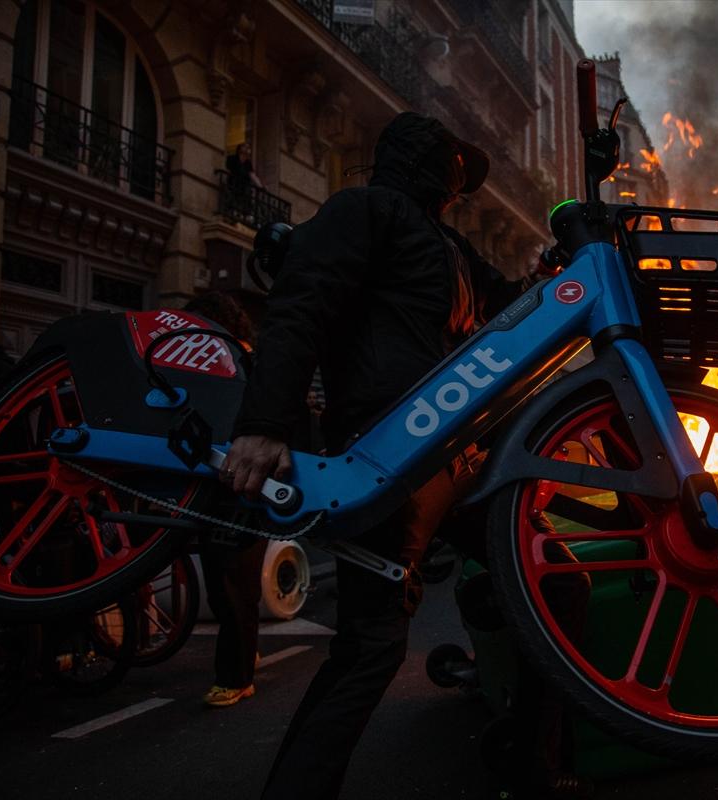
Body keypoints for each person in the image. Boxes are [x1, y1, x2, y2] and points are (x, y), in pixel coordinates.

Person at [220, 112, 579, 798]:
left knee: (555, 586)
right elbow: (301, 304)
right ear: (428, 167)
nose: (457, 188)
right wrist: (264, 423)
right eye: (451, 172)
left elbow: (517, 310)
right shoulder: (361, 210)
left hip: (458, 459)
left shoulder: (453, 249)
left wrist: (556, 273)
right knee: (371, 647)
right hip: (387, 456)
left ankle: (533, 766)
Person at [180, 290, 268, 708]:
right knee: (221, 582)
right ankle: (243, 651)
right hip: (206, 482)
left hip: (245, 483)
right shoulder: (197, 363)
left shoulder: (247, 361)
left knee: (235, 579)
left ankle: (236, 676)